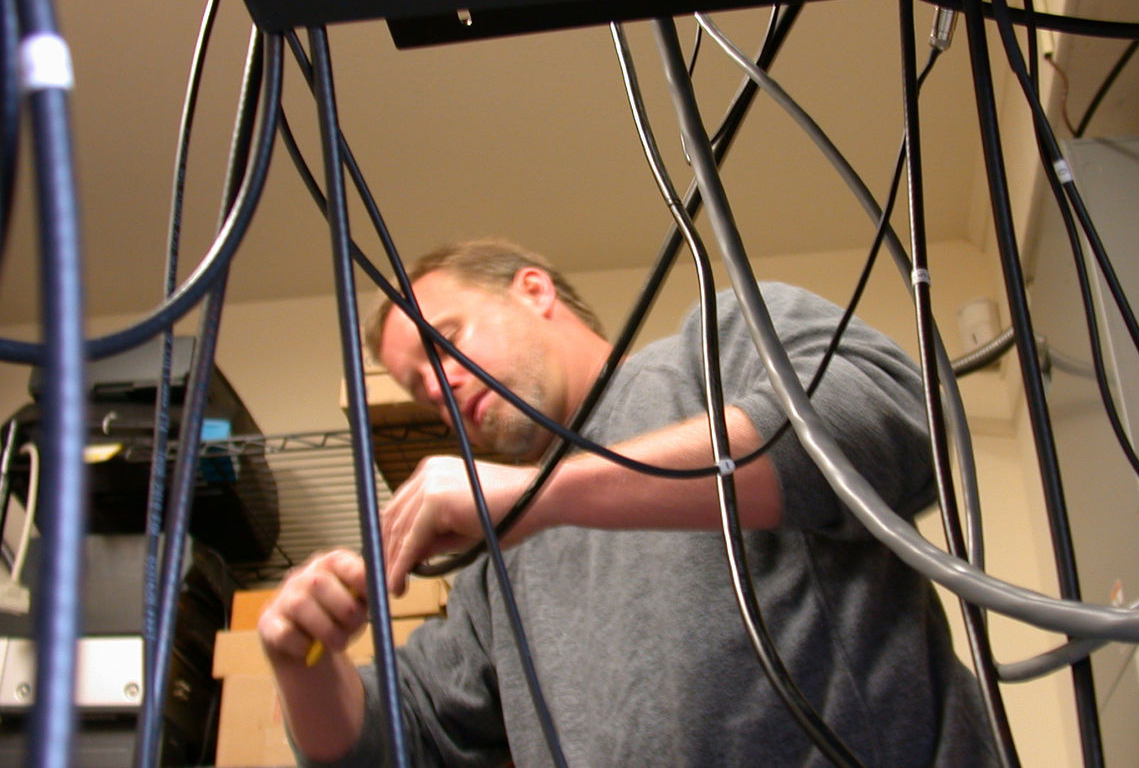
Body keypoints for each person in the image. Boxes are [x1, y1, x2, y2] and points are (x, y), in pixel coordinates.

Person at [257, 239, 998, 766]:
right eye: (421, 387)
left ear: (534, 289)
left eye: (446, 342)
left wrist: (544, 496)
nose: (439, 388)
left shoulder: (717, 345)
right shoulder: (496, 573)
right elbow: (399, 739)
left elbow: (887, 419)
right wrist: (301, 658)